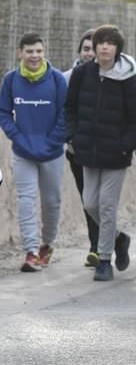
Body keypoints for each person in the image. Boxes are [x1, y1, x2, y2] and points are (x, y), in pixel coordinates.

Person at [65, 25, 136, 281]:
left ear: (117, 49)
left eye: (110, 43)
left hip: (115, 155)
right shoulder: (82, 74)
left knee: (106, 205)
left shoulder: (127, 77)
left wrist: (125, 145)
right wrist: (73, 137)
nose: (104, 47)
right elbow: (70, 109)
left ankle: (104, 260)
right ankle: (119, 238)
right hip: (88, 151)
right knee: (90, 202)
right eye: (100, 42)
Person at [0, 33, 67, 272]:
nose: (34, 56)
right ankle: (30, 252)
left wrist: (53, 141)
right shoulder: (11, 80)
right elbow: (3, 112)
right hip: (23, 152)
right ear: (20, 53)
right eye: (29, 51)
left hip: (53, 152)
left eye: (38, 51)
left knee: (51, 202)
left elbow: (65, 115)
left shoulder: (58, 80)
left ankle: (46, 244)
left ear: (44, 51)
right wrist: (17, 137)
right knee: (26, 201)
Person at [62, 29, 106, 267]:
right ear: (80, 51)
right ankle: (95, 245)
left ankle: (107, 244)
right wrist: (70, 139)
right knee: (87, 198)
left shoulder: (110, 76)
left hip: (104, 150)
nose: (90, 52)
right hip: (76, 150)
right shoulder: (67, 78)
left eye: (94, 48)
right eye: (86, 48)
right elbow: (64, 111)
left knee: (103, 200)